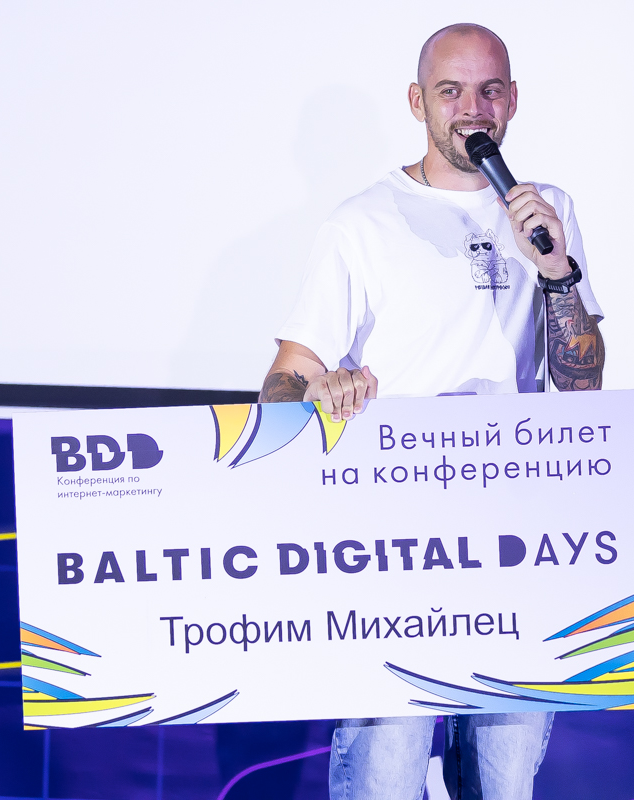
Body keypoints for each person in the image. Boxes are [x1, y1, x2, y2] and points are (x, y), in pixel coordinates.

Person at [257, 23, 606, 800]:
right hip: (393, 540)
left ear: (512, 100)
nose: (472, 108)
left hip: (517, 538)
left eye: (489, 90)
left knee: (503, 779)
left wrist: (556, 272)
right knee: (384, 771)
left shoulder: (547, 214)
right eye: (451, 91)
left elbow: (581, 388)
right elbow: (282, 384)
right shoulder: (363, 223)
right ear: (418, 102)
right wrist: (319, 393)